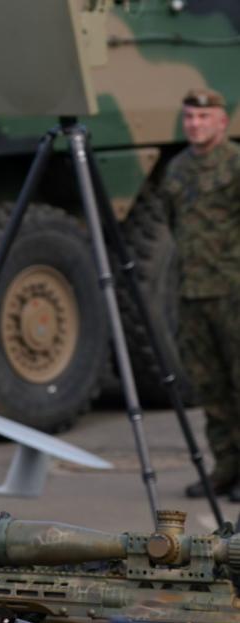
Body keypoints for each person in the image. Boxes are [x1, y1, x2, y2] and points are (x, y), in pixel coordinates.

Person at [162, 87, 240, 501]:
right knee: (210, 388)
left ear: (222, 122)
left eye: (203, 117)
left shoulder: (236, 164)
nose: (194, 124)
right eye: (189, 116)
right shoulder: (177, 170)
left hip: (233, 291)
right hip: (193, 293)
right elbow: (173, 223)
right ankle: (225, 466)